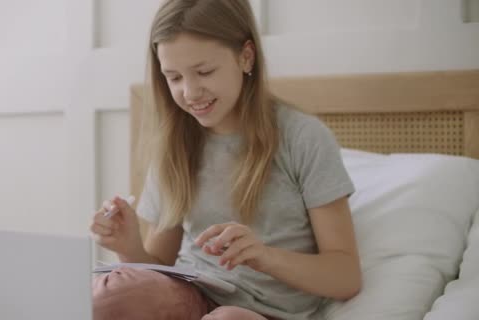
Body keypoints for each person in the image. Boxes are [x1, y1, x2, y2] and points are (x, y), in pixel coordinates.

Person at [89, 0, 361, 319]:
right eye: (174, 77)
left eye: (204, 71)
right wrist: (127, 245)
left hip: (264, 311)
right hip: (191, 293)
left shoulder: (303, 138)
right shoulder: (174, 145)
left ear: (246, 56)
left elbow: (346, 276)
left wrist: (263, 256)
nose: (190, 92)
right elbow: (159, 266)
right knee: (108, 295)